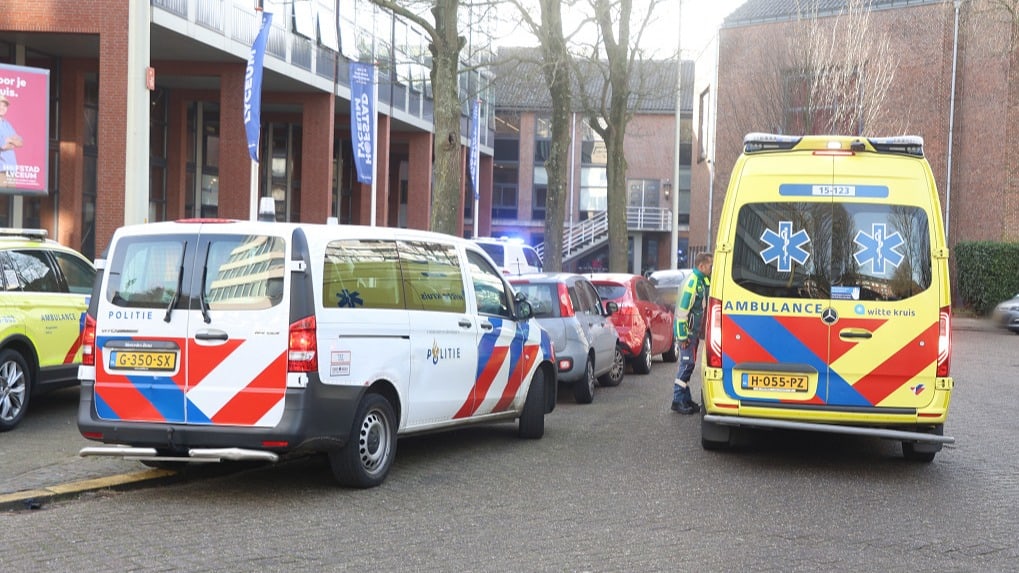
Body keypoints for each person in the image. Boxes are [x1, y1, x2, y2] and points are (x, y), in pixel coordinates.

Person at [671, 252, 713, 414]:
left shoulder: (701, 280)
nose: (711, 269)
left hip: (692, 333)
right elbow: (682, 311)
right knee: (687, 364)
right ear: (701, 266)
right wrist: (682, 336)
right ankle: (677, 400)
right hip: (687, 334)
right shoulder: (692, 283)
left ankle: (686, 399)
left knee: (690, 364)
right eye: (710, 266)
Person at [0, 93, 24, 184]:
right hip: (1, 170)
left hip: (11, 170)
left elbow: (20, 142)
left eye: (4, 105)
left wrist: (9, 140)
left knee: (12, 197)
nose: (2, 108)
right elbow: (3, 146)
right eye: (0, 104)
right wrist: (12, 142)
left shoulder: (7, 124)